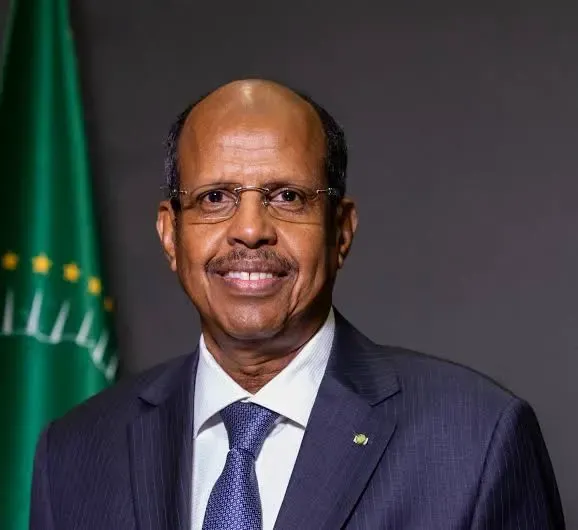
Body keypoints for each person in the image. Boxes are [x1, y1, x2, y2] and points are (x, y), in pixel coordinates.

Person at [30, 79, 565, 529]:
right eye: (215, 197)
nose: (250, 230)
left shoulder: (476, 440)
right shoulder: (75, 454)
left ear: (341, 231)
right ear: (171, 234)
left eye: (287, 196)